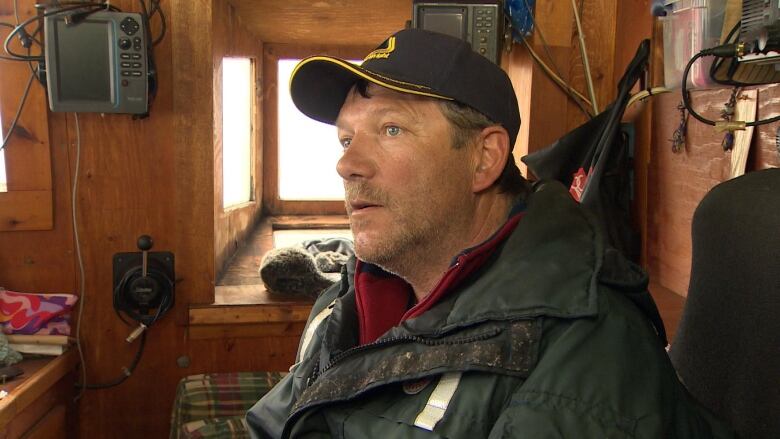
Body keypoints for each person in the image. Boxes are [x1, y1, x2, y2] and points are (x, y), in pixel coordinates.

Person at [247, 29, 734, 438]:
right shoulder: (349, 299)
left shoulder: (585, 348)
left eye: (392, 129)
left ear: (484, 158)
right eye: (347, 138)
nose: (346, 164)